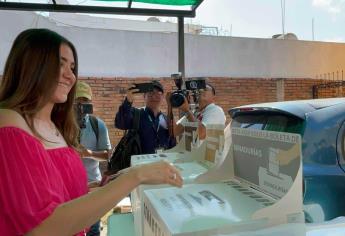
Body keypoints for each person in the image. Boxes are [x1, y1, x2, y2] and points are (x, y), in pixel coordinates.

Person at [0, 28, 182, 236]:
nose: (71, 76)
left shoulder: (54, 126)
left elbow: (61, 196)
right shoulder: (9, 122)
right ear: (31, 64)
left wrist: (98, 187)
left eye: (72, 67)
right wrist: (135, 175)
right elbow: (44, 226)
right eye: (60, 64)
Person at [75, 81, 111, 236]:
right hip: (66, 188)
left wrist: (89, 153)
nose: (82, 105)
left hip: (92, 186)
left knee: (93, 230)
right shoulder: (58, 124)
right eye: (77, 101)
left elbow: (108, 155)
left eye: (85, 101)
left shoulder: (98, 124)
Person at [115, 81, 176, 154]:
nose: (154, 97)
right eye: (150, 93)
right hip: (140, 163)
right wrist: (128, 101)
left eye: (158, 94)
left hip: (162, 162)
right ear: (144, 96)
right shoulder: (136, 114)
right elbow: (120, 124)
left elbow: (172, 143)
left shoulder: (166, 119)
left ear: (163, 97)